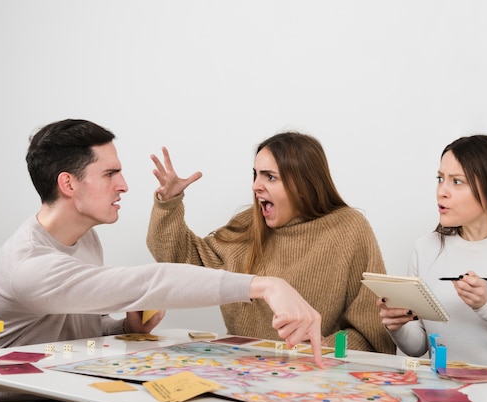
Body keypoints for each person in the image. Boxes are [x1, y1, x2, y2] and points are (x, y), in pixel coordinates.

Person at [0, 119, 324, 402]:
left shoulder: (84, 239)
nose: (124, 185)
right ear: (68, 184)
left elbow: (80, 330)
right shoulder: (28, 266)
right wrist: (265, 286)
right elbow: (150, 281)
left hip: (74, 391)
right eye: (110, 173)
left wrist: (125, 326)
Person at [146, 132, 395, 354]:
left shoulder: (349, 229)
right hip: (244, 375)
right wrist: (169, 201)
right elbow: (182, 262)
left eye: (270, 177)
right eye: (255, 175)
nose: (256, 186)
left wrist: (325, 347)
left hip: (316, 379)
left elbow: (371, 334)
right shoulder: (246, 226)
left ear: (302, 184)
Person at [377, 134, 487, 371]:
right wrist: (397, 327)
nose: (442, 191)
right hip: (441, 391)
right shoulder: (426, 248)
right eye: (440, 178)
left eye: (457, 181)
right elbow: (419, 346)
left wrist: (486, 304)